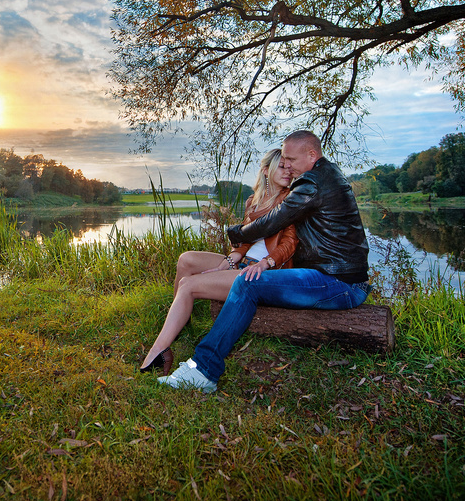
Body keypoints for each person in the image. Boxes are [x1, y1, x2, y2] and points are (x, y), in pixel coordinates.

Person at [158, 130, 370, 393]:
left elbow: (275, 220)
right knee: (248, 281)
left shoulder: (312, 183)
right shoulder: (327, 175)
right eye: (284, 160)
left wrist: (236, 234)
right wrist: (239, 252)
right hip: (331, 277)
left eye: (291, 159)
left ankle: (203, 371)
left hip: (337, 282)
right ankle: (198, 362)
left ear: (312, 155)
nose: (287, 164)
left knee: (248, 283)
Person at [139, 149, 298, 373]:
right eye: (282, 167)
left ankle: (159, 350)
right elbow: (246, 239)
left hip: (264, 272)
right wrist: (232, 258)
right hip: (245, 263)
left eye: (290, 168)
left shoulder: (291, 200)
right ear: (266, 170)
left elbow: (290, 243)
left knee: (188, 285)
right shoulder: (253, 201)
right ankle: (178, 322)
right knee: (186, 260)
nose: (288, 172)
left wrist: (266, 263)